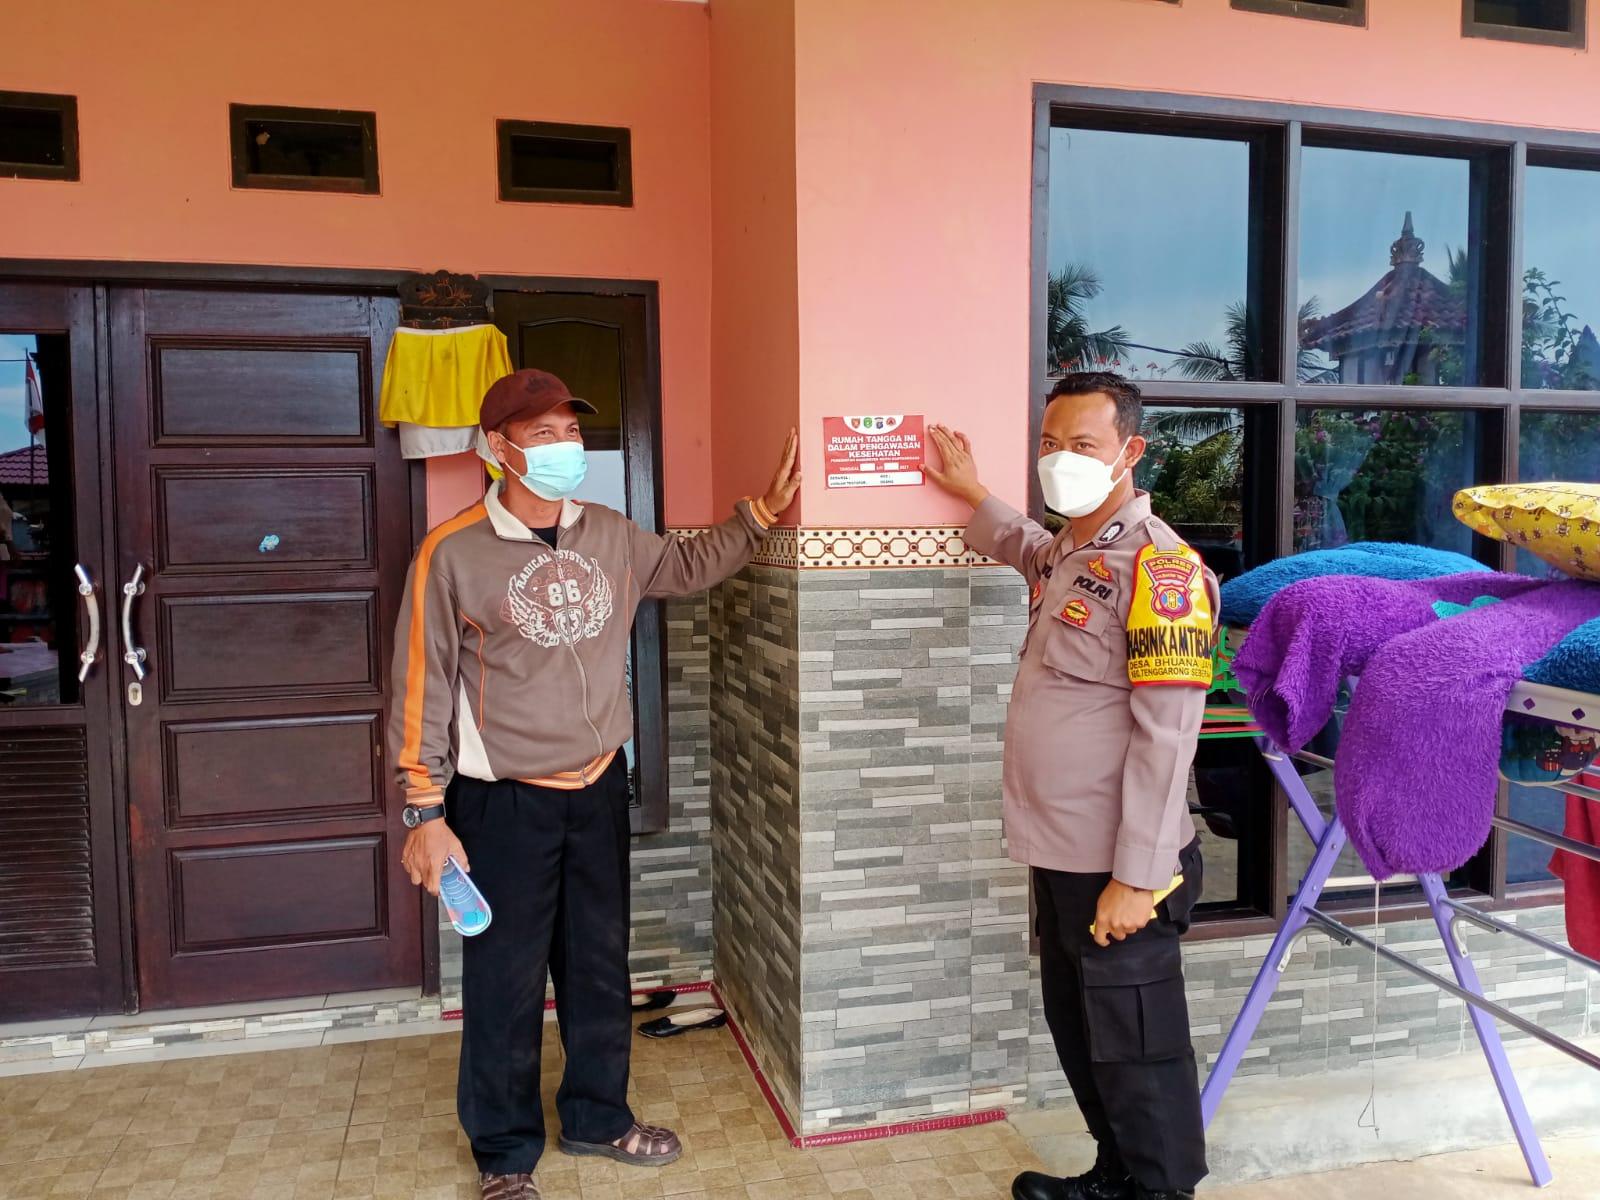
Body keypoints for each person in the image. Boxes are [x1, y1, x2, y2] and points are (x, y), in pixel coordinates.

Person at [389, 368, 801, 1200]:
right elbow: (419, 686)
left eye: (571, 431)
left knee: (599, 965)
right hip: (503, 802)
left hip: (599, 786)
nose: (564, 447)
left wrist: (756, 518)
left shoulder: (609, 532)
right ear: (497, 448)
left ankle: (597, 1116)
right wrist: (424, 811)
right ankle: (505, 1154)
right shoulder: (452, 552)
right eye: (542, 434)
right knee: (505, 979)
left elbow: (682, 566)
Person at [925, 371, 1216, 1200]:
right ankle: (1114, 1175)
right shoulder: (1074, 549)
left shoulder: (1160, 569)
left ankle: (1161, 1190)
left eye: (1083, 445)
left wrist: (1138, 876)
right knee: (1081, 1026)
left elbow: (1168, 734)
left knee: (1137, 1042)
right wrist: (973, 492)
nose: (1061, 459)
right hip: (1061, 853)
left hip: (1118, 862)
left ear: (1131, 451)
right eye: (1050, 444)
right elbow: (1028, 547)